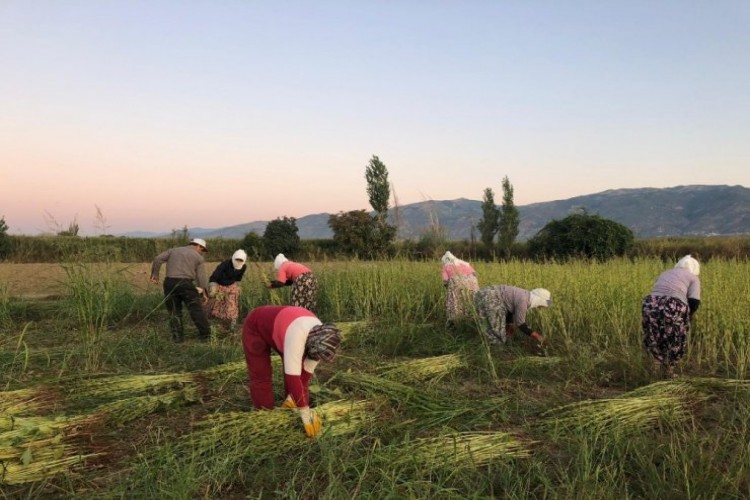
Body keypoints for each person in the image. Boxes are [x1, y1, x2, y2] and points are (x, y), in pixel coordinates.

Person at [242, 305, 342, 437]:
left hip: (282, 330)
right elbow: (293, 377)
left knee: (297, 381)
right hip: (256, 326)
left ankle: (289, 407)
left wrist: (292, 399)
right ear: (311, 344)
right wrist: (305, 413)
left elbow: (306, 371)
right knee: (261, 375)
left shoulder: (323, 337)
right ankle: (265, 417)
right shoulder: (297, 336)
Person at [642, 254, 701, 378]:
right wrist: (689, 316)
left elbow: (658, 291)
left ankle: (654, 369)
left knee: (654, 335)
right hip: (673, 305)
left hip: (650, 303)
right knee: (674, 337)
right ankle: (669, 371)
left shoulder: (666, 273)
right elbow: (694, 302)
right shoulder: (693, 278)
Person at [149, 238, 211, 342]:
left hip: (169, 283)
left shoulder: (173, 250)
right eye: (203, 250)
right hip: (186, 284)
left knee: (174, 311)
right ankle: (206, 336)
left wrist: (155, 275)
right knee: (196, 310)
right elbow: (201, 277)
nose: (202, 252)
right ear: (198, 246)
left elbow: (158, 259)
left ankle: (177, 337)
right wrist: (205, 293)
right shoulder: (198, 258)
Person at [474, 285, 551, 346]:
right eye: (543, 304)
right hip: (491, 297)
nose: (541, 307)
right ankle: (497, 352)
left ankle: (486, 344)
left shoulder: (525, 294)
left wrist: (510, 324)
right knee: (499, 335)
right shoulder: (524, 301)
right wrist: (538, 337)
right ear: (539, 300)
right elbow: (521, 324)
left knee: (486, 324)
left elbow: (509, 307)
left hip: (483, 293)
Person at [206, 249, 248, 331]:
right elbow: (214, 276)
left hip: (232, 287)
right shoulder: (225, 264)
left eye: (241, 260)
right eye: (237, 259)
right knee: (217, 306)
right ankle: (215, 326)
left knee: (232, 306)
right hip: (220, 286)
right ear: (233, 258)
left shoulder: (243, 267)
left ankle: (232, 327)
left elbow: (239, 278)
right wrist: (213, 287)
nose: (238, 261)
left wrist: (238, 286)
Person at [441, 251, 479, 324]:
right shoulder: (464, 263)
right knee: (471, 299)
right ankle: (472, 319)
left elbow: (445, 281)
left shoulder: (446, 266)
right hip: (473, 281)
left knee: (456, 300)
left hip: (457, 281)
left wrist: (448, 290)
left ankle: (456, 320)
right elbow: (474, 274)